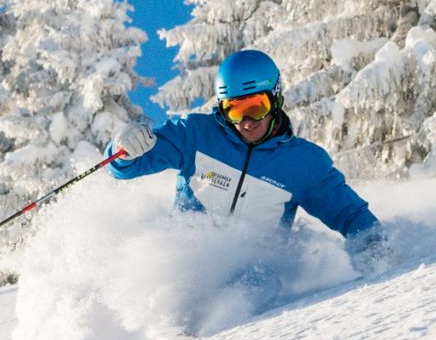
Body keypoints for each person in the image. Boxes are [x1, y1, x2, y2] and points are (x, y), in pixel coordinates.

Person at [108, 48, 379, 255]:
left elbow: (350, 215)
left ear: (276, 100)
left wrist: (376, 249)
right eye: (235, 110)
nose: (246, 122)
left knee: (255, 286)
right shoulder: (195, 135)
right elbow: (126, 167)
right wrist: (124, 148)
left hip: (254, 269)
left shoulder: (303, 163)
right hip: (187, 261)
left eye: (256, 107)